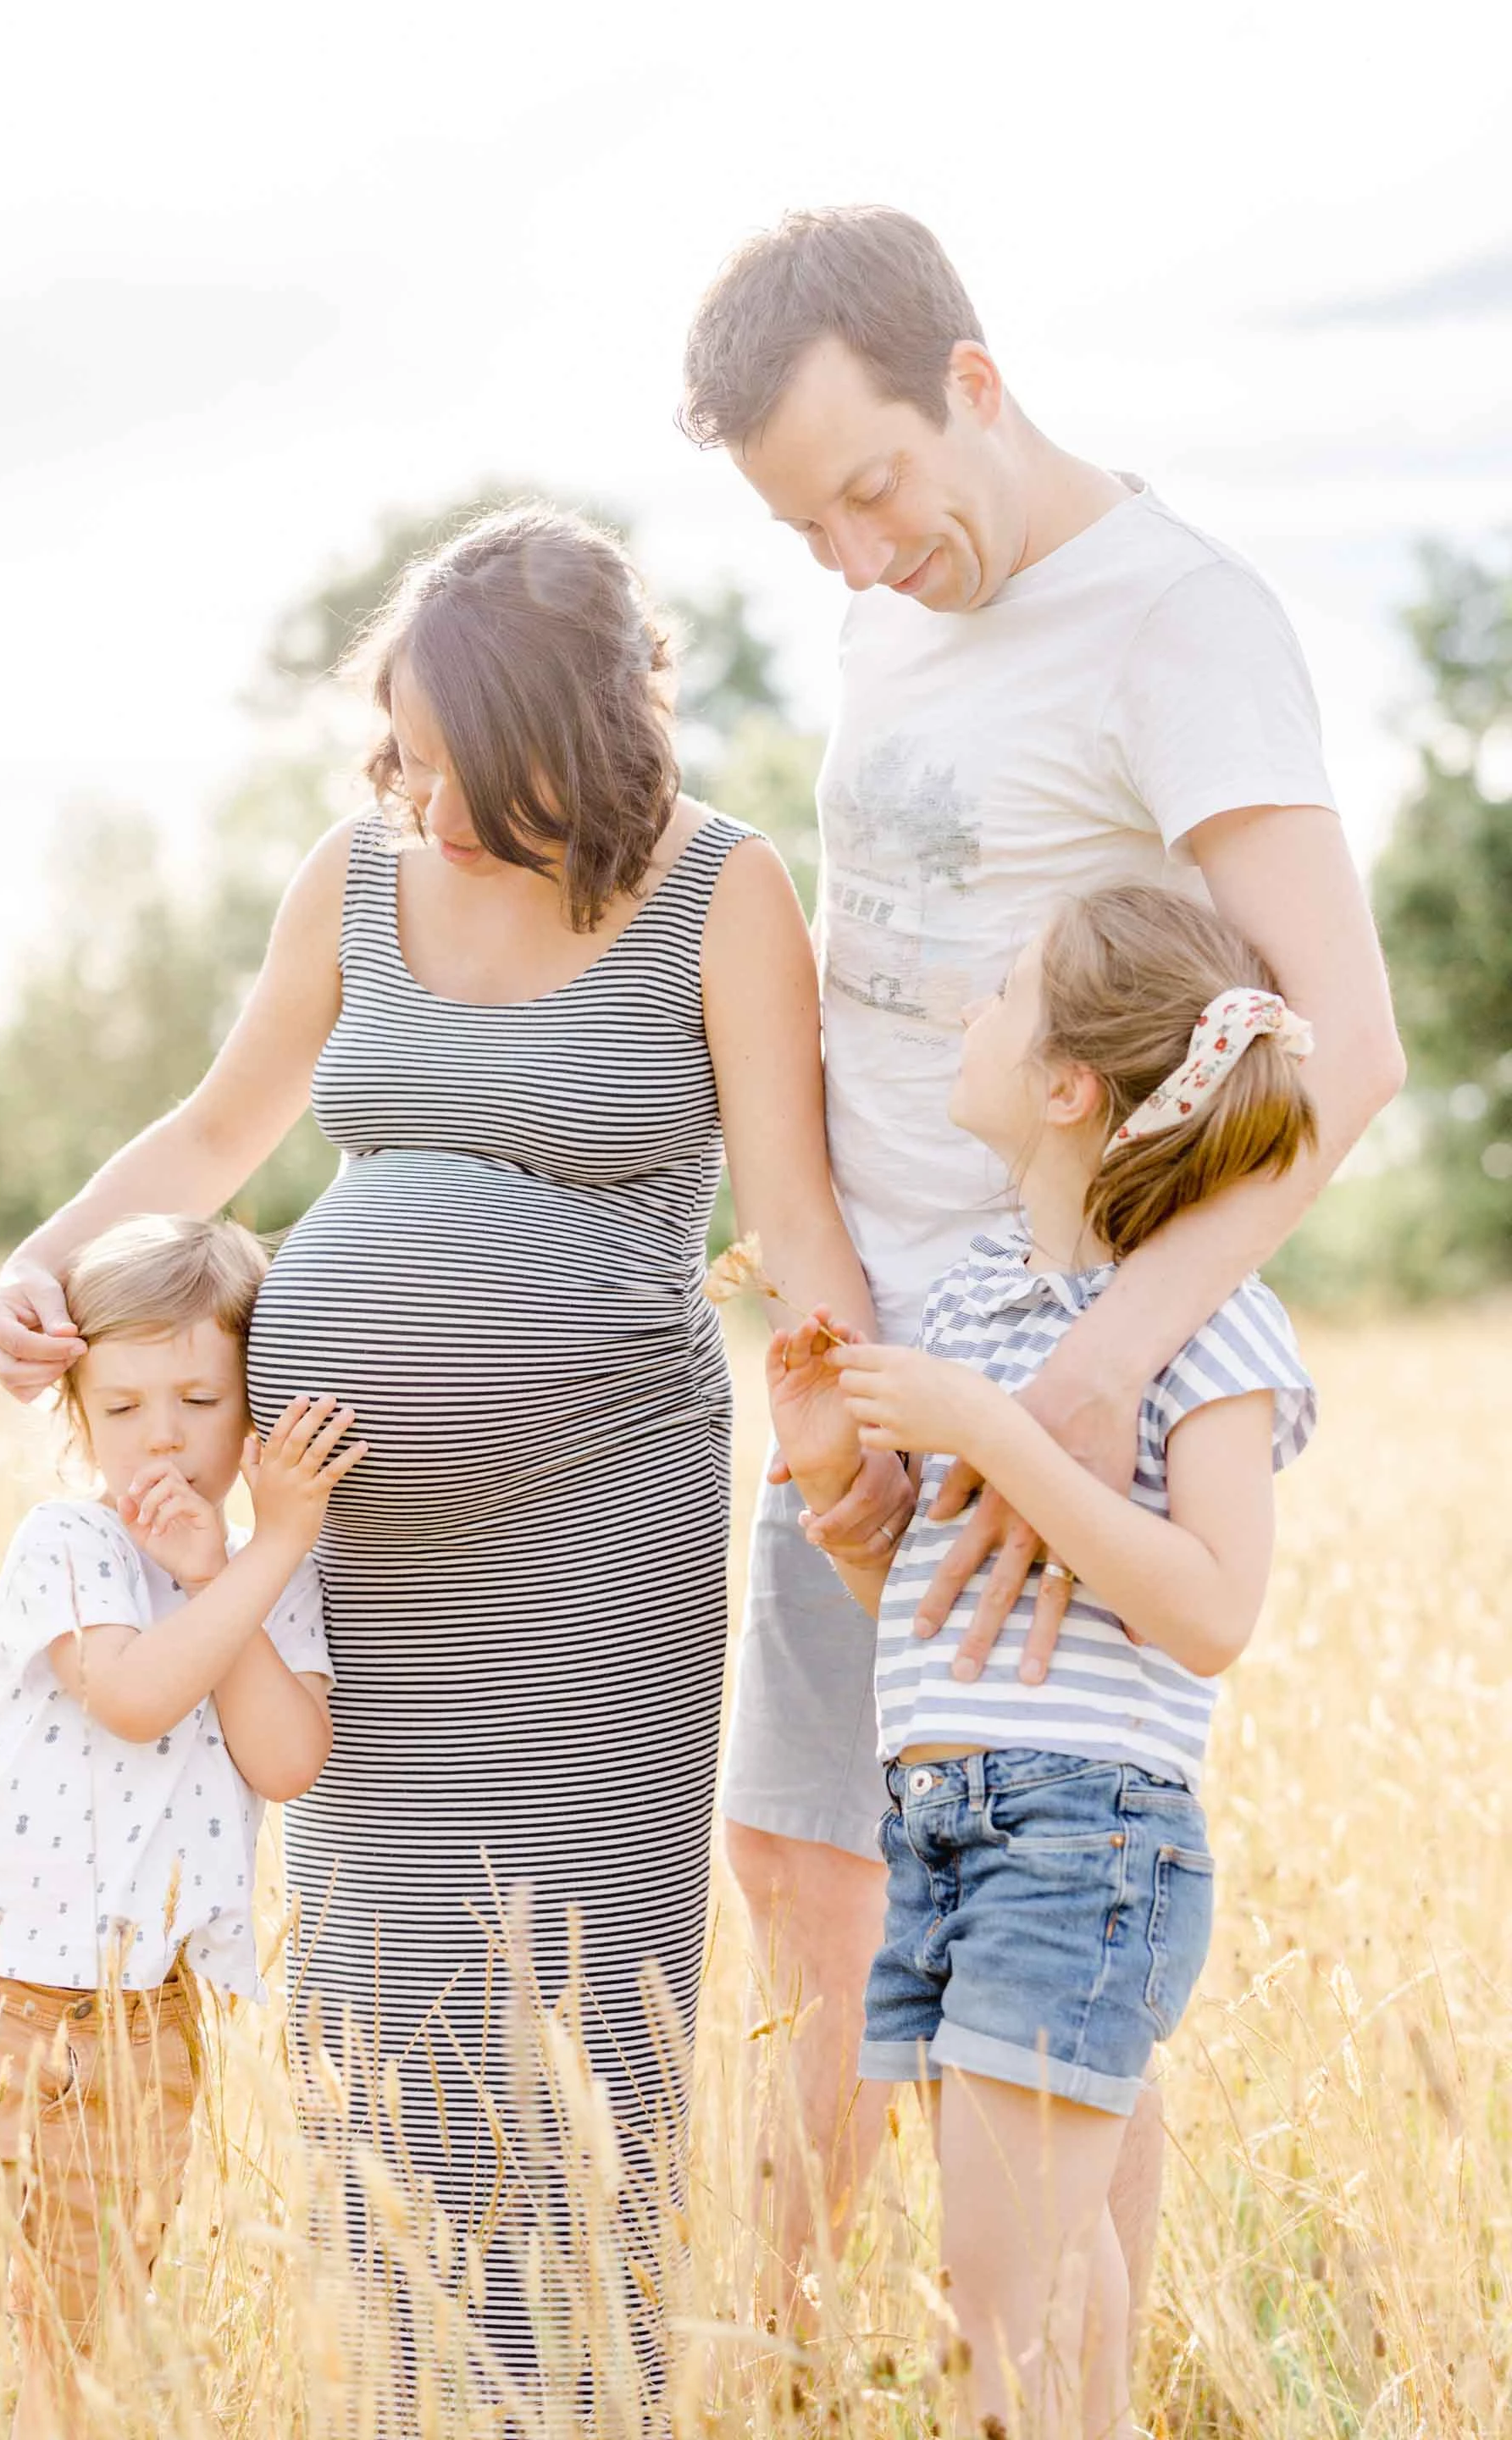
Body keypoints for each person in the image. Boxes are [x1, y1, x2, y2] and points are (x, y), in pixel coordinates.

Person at [0, 506, 902, 2400]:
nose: (429, 802)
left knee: (581, 1994)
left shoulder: (725, 894)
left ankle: (579, 2391)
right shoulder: (357, 877)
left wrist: (869, 1443)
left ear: (591, 737)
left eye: (471, 768)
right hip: (358, 1559)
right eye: (402, 754)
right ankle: (416, 2394)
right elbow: (223, 1123)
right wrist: (45, 1259)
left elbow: (799, 1219)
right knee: (382, 1997)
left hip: (598, 1527)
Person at [680, 203, 1404, 2306]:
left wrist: (1088, 1385)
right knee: (817, 1869)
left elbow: (1339, 1051)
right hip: (876, 1363)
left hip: (1046, 1388)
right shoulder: (884, 611)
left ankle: (1010, 2376)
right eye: (806, 524)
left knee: (1039, 1938)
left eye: (874, 490)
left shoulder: (1178, 623)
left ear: (974, 383)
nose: (856, 557)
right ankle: (803, 2358)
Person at [767, 880, 1319, 2436]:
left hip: (1082, 1845)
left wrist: (995, 1430)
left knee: (988, 2340)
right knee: (1050, 2327)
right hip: (948, 1837)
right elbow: (948, 1635)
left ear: (1071, 1086)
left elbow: (1211, 1612)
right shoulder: (978, 1308)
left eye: (1002, 993)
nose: (965, 1015)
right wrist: (838, 1487)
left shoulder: (1205, 1331)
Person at [0, 1213, 346, 2440]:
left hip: (147, 2029)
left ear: (253, 1406)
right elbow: (139, 1696)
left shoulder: (265, 1578)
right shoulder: (72, 1542)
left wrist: (238, 1562)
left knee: (81, 2349)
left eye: (199, 1398)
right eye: (126, 1404)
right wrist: (262, 1552)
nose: (162, 1438)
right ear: (78, 1418)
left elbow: (289, 1758)